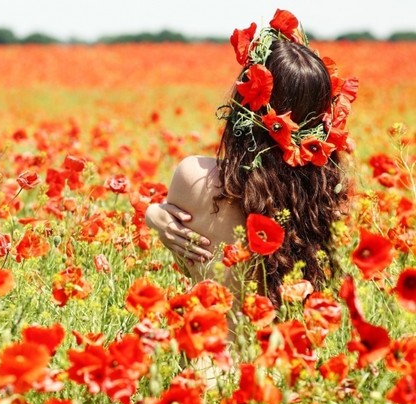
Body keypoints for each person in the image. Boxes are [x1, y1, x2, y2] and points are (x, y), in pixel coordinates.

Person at [146, 9, 357, 305]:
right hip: (287, 351)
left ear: (244, 101)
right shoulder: (325, 202)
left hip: (210, 349)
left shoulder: (193, 177)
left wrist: (153, 215)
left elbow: (187, 265)